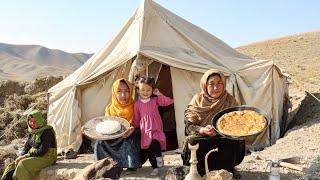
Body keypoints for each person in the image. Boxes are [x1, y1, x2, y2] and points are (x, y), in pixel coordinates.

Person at [181, 69, 245, 178]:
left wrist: (223, 130)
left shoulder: (230, 101)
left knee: (237, 140)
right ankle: (198, 172)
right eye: (211, 84)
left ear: (224, 84)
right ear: (205, 85)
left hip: (223, 138)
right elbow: (188, 128)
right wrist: (201, 130)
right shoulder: (197, 100)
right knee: (193, 141)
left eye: (219, 83)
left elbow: (238, 125)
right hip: (203, 138)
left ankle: (227, 171)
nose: (216, 88)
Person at [94, 78, 141, 172]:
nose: (123, 95)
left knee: (129, 140)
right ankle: (105, 166)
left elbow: (143, 124)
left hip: (130, 136)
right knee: (99, 143)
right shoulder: (109, 108)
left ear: (131, 92)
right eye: (119, 91)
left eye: (127, 91)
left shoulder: (136, 106)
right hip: (114, 138)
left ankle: (131, 165)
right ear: (114, 93)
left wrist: (133, 129)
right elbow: (107, 127)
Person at [133, 76, 174, 176]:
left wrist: (159, 94)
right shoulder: (137, 104)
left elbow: (169, 101)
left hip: (156, 128)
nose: (146, 92)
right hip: (145, 130)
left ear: (152, 90)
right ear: (138, 91)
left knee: (155, 141)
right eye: (143, 90)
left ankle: (159, 156)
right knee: (149, 149)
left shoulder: (155, 100)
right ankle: (155, 167)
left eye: (148, 90)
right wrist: (134, 126)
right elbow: (137, 117)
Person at [1, 110, 57, 180]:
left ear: (39, 120)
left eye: (35, 121)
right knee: (12, 165)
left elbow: (43, 150)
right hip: (36, 155)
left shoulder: (47, 132)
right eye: (30, 121)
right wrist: (21, 156)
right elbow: (27, 146)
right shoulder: (32, 131)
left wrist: (26, 156)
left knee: (23, 164)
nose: (32, 123)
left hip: (47, 157)